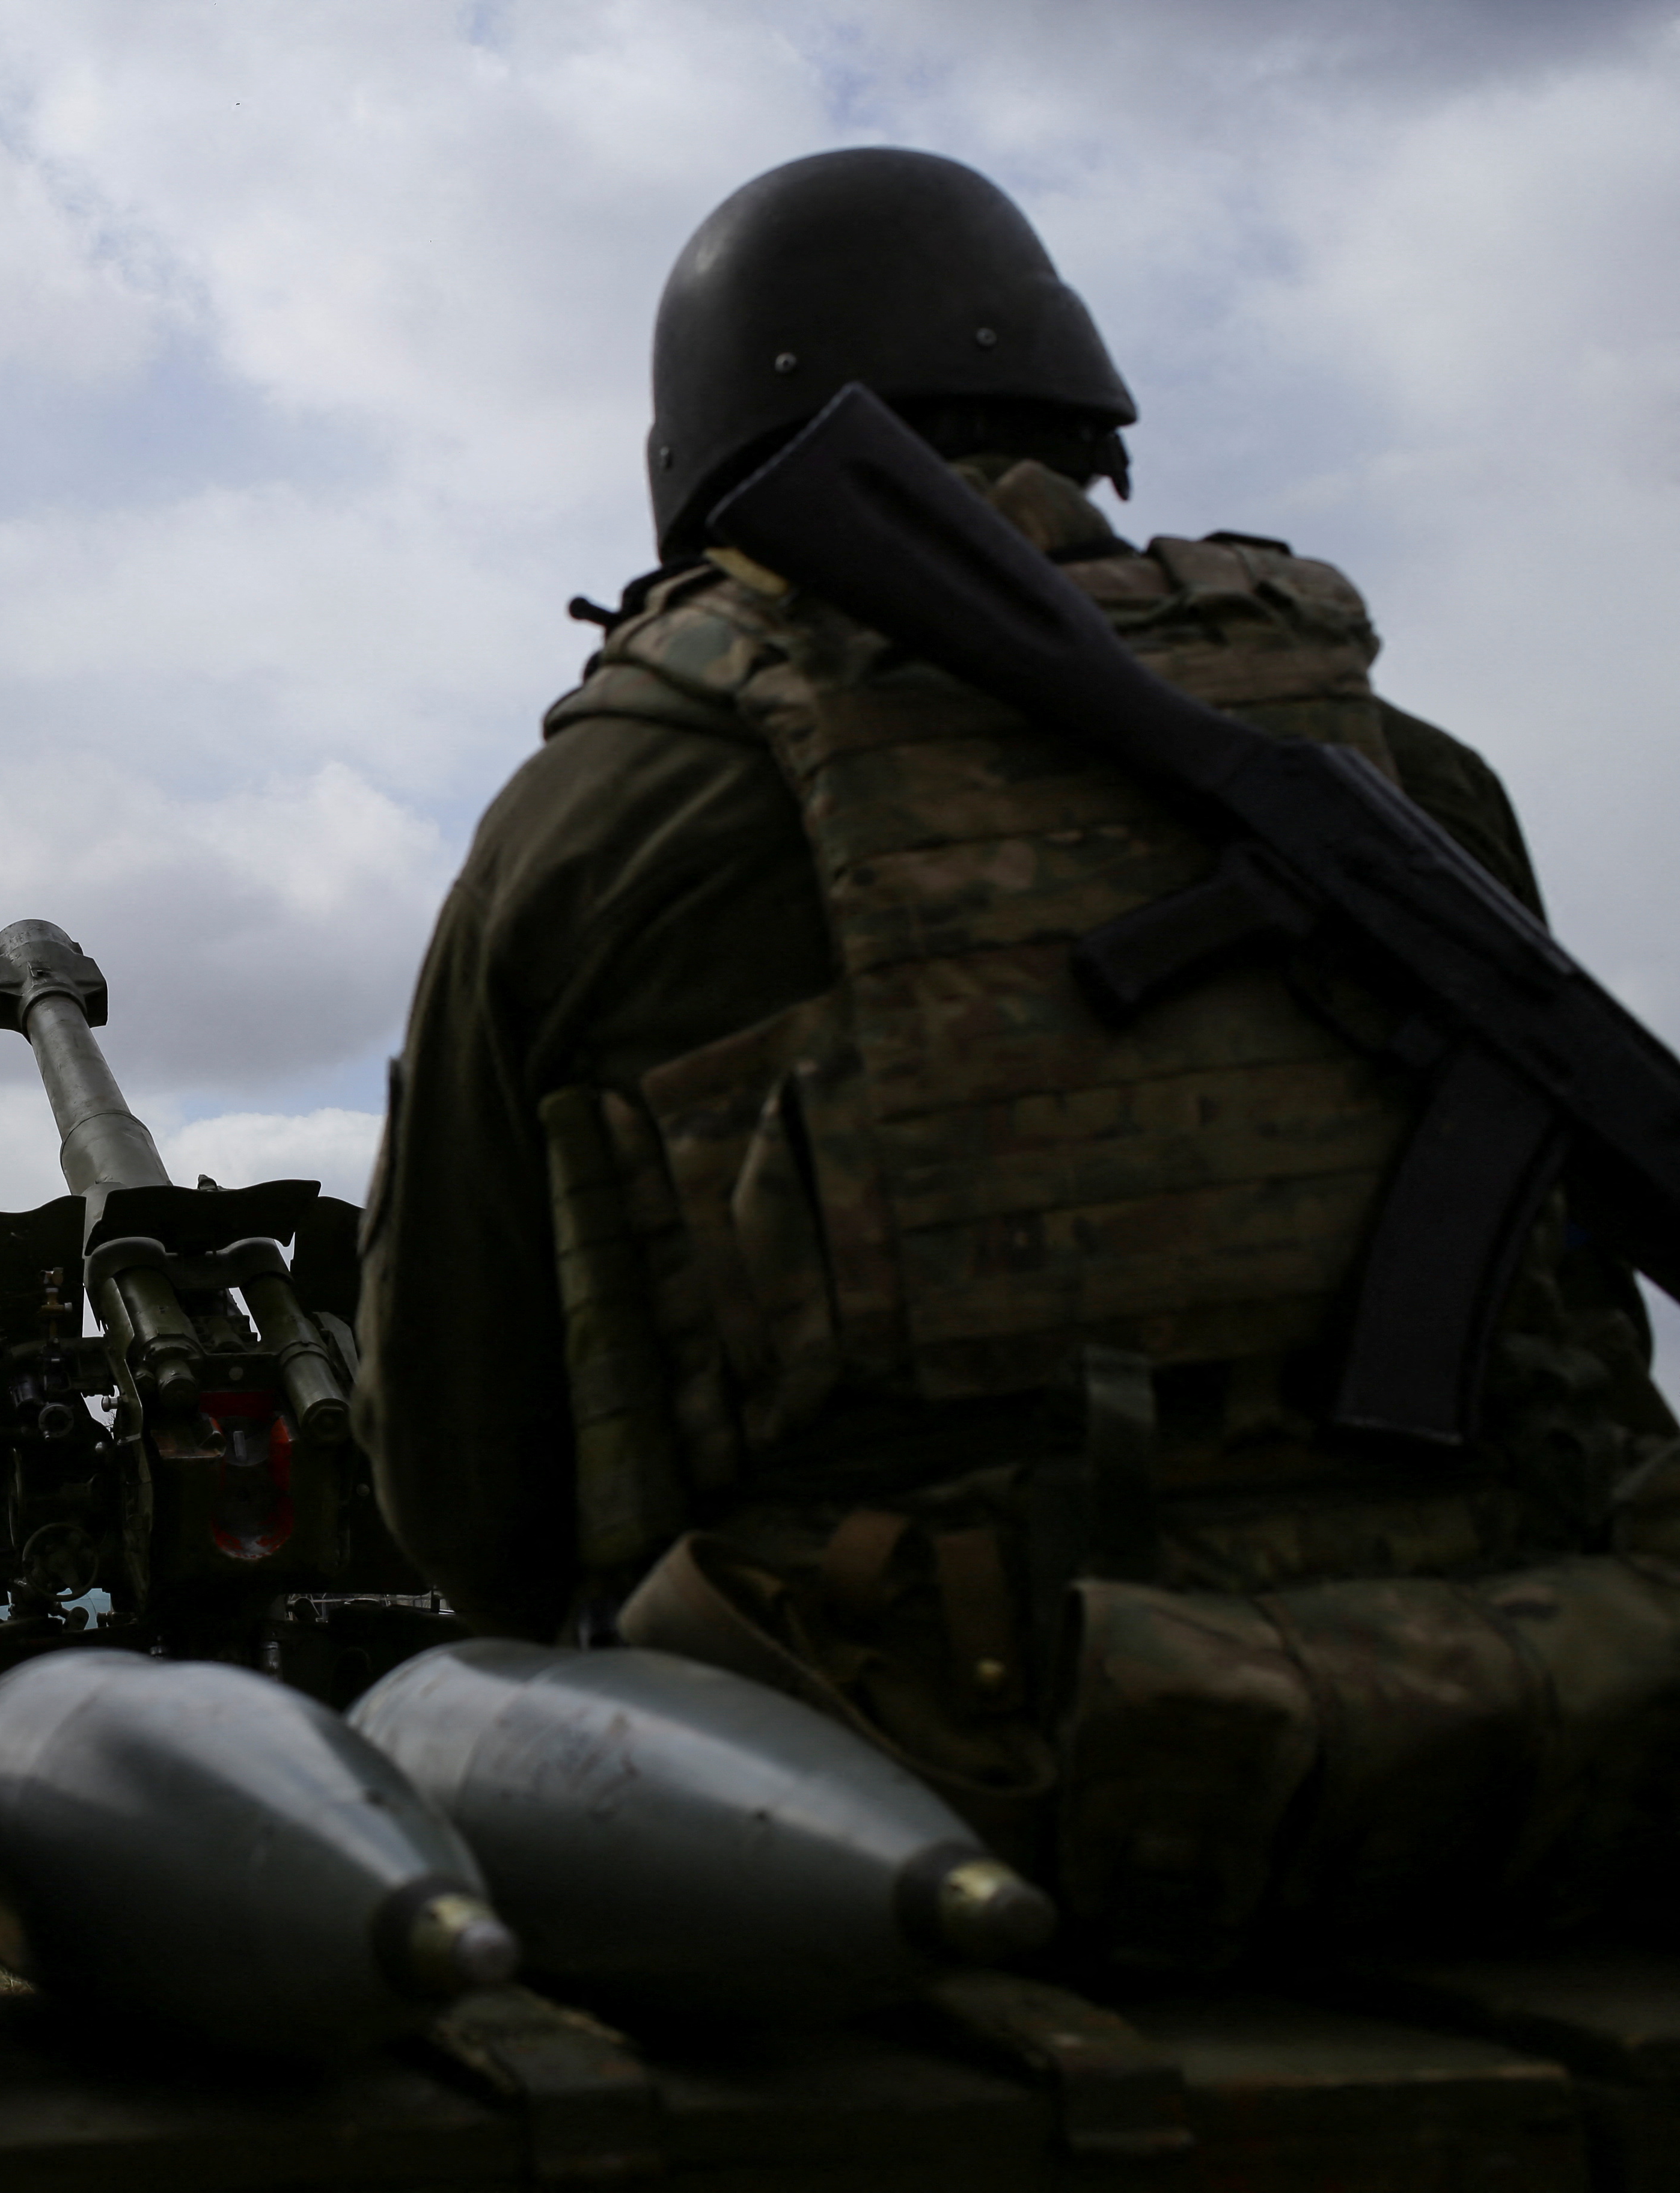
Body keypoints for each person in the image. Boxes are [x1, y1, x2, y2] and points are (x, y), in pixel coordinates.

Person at [355, 147, 1680, 1968]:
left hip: (905, 1806)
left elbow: (469, 1484)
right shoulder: (1408, 775)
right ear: (1089, 415)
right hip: (1550, 1769)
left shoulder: (599, 822)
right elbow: (1586, 1355)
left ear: (700, 466)